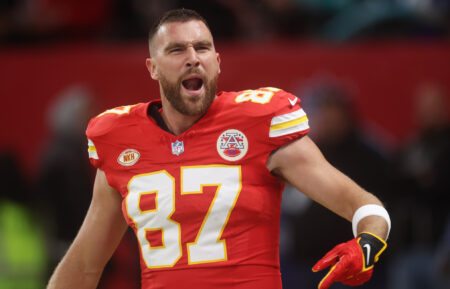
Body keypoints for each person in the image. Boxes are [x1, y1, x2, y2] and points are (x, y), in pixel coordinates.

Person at [46, 8, 391, 289]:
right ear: (153, 68)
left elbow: (363, 206)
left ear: (218, 61)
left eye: (203, 47)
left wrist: (367, 246)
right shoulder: (120, 140)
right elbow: (84, 266)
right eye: (177, 49)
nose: (193, 58)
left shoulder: (259, 122)